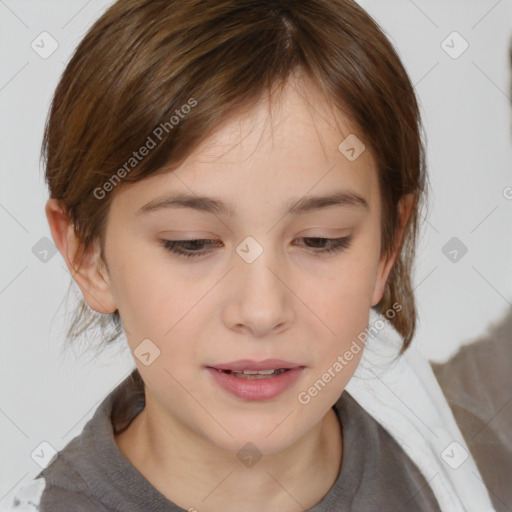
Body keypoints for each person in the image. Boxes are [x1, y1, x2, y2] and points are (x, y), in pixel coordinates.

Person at [5, 0, 511, 511]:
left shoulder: (462, 450)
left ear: (388, 246)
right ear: (87, 255)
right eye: (192, 243)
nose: (263, 310)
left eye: (320, 240)